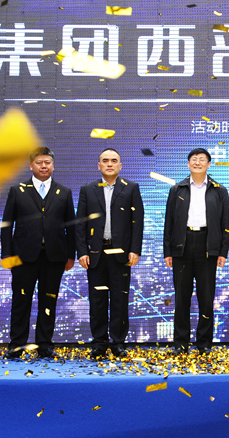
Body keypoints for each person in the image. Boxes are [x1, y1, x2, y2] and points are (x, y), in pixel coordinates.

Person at [0, 147, 76, 359]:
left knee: (48, 301)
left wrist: (71, 255)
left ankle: (45, 345)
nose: (44, 166)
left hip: (55, 256)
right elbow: (7, 225)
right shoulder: (17, 190)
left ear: (53, 165)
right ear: (31, 166)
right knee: (21, 301)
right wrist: (6, 255)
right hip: (22, 256)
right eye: (39, 163)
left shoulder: (64, 192)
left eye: (47, 163)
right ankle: (17, 345)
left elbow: (71, 226)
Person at [74, 148, 144, 359]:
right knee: (97, 300)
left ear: (120, 166)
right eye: (105, 161)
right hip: (95, 254)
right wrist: (82, 251)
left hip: (121, 254)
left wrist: (135, 250)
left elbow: (137, 223)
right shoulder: (88, 190)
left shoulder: (131, 188)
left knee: (120, 300)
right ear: (99, 165)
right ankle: (99, 343)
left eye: (114, 161)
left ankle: (118, 342)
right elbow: (80, 224)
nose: (110, 164)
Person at [163, 148, 229, 354]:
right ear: (188, 164)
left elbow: (225, 223)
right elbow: (169, 222)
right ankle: (181, 343)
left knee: (206, 298)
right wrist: (167, 251)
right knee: (182, 297)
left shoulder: (219, 190)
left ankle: (204, 343)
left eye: (202, 159)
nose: (198, 162)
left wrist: (223, 251)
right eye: (194, 159)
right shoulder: (177, 189)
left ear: (209, 164)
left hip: (207, 245)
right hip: (182, 245)